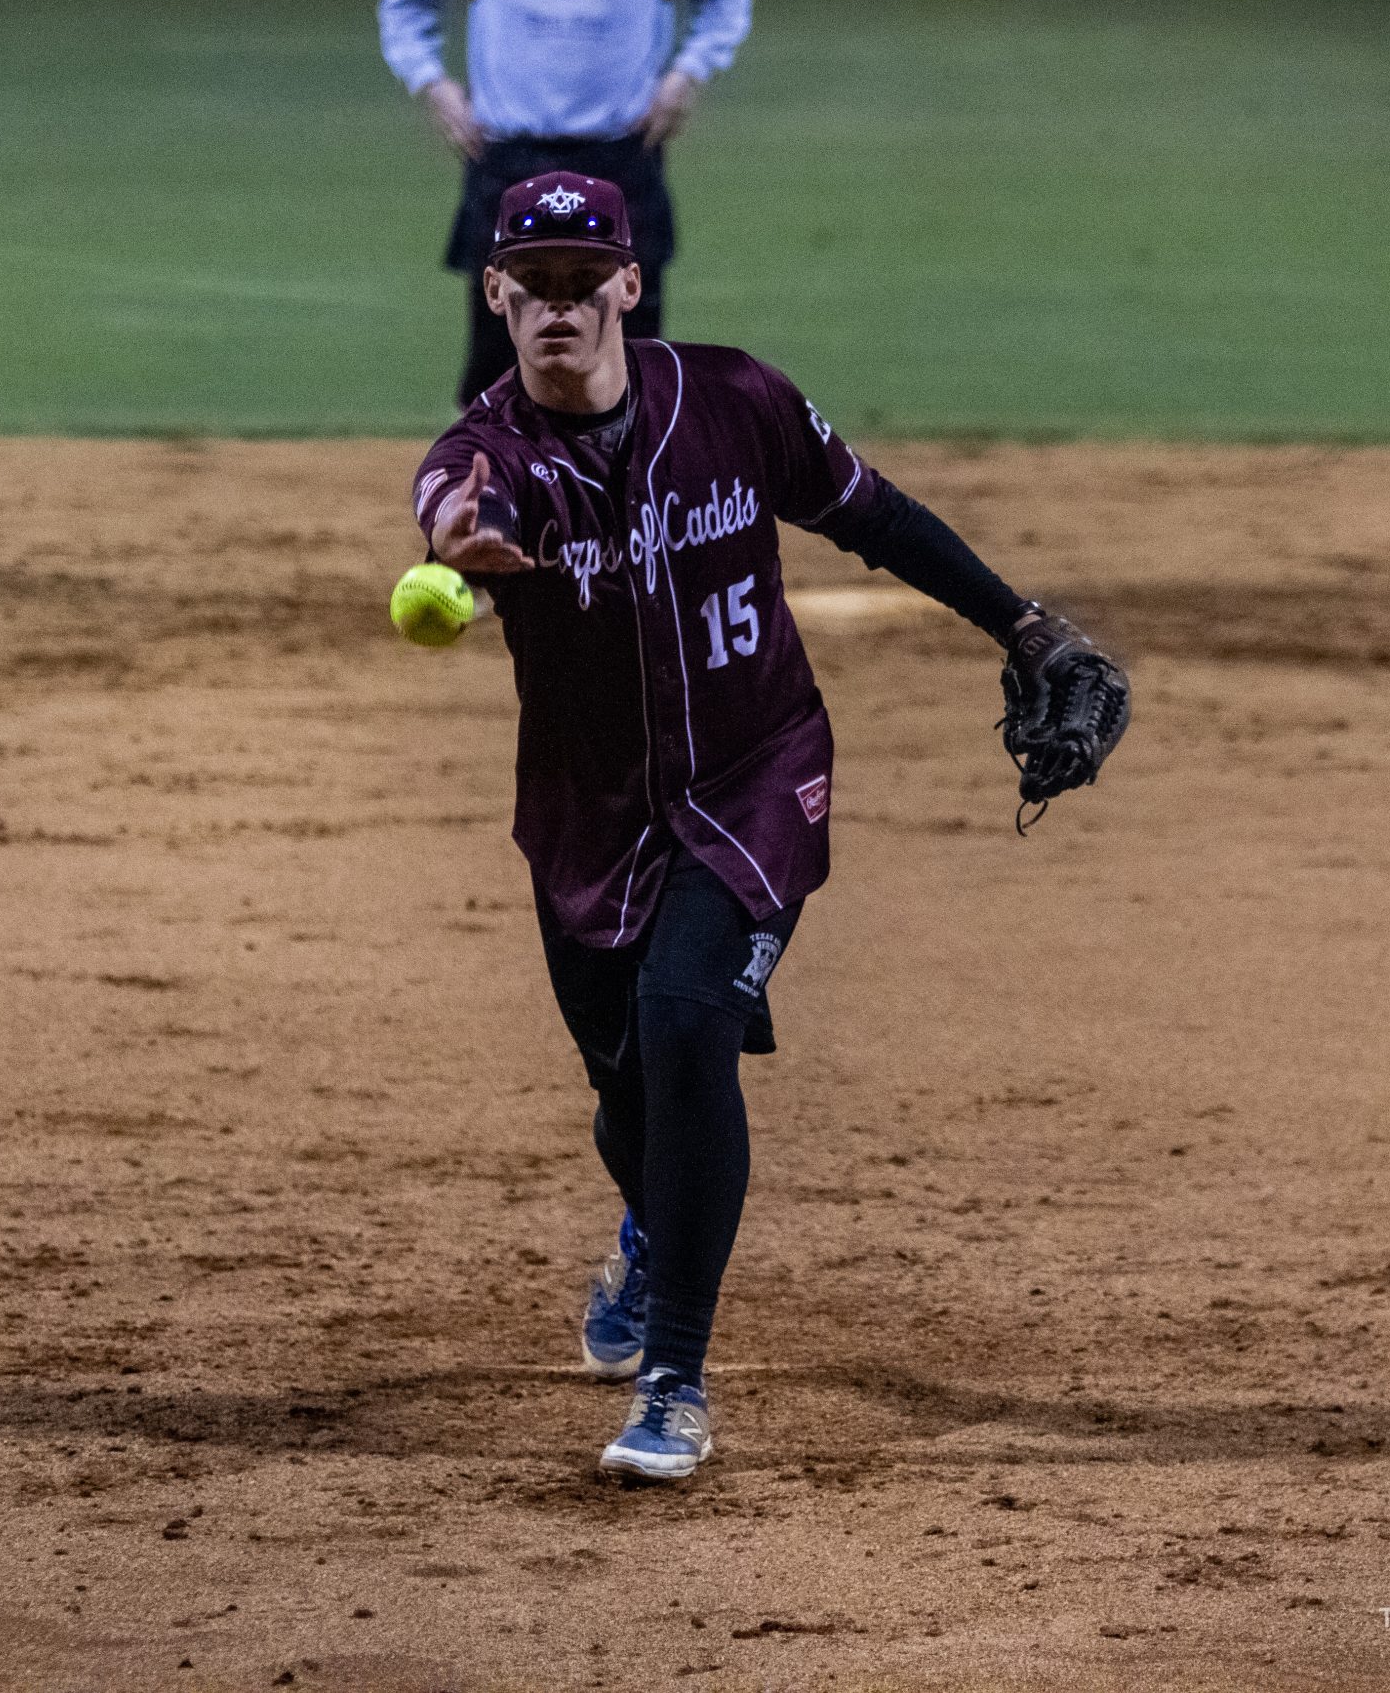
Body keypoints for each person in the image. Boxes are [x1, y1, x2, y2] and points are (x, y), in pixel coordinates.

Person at [407, 173, 1128, 1481]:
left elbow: (877, 515)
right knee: (628, 1093)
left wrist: (1019, 622)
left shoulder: (734, 400)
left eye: (585, 279)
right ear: (497, 294)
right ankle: (649, 1223)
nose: (560, 304)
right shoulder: (488, 458)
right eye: (536, 283)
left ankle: (676, 1377)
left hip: (757, 775)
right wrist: (463, 544)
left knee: (689, 1025)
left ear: (630, 285)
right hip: (588, 818)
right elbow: (457, 502)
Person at [377, 0, 752, 405]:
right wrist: (432, 84)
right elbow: (407, 1)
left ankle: (626, 466)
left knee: (629, 341)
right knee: (501, 340)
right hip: (507, 153)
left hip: (621, 151)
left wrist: (688, 73)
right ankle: (494, 464)